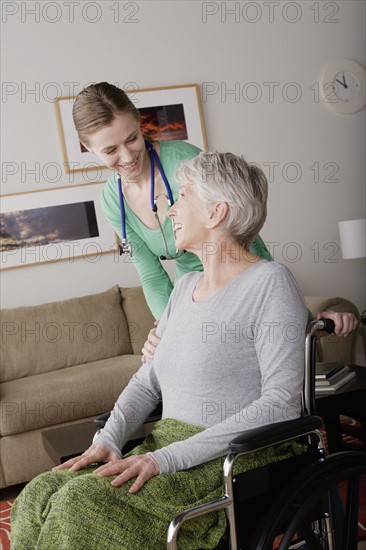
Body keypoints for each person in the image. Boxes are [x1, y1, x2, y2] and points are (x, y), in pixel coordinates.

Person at [12, 152, 309, 550]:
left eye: (182, 196)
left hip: (231, 458)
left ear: (216, 212)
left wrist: (165, 459)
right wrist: (109, 439)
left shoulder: (269, 283)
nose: (168, 210)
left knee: (79, 503)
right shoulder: (185, 288)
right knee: (40, 492)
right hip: (168, 445)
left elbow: (281, 404)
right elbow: (147, 380)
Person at [71, 82, 357, 349]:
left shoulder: (186, 161)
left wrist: (305, 319)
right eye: (110, 150)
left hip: (236, 276)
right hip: (193, 292)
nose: (127, 156)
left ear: (138, 123)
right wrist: (171, 327)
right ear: (88, 148)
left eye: (132, 138)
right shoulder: (112, 201)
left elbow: (244, 241)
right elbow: (152, 277)